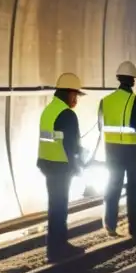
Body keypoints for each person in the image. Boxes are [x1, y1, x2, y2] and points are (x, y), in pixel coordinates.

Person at [99, 60, 136, 236]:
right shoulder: (135, 102)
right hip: (132, 152)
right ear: (133, 81)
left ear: (118, 78)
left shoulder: (104, 102)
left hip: (112, 151)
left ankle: (110, 224)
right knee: (134, 189)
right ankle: (135, 227)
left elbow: (101, 127)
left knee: (113, 186)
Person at [37, 72, 87, 260]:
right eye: (76, 95)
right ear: (70, 93)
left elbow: (49, 139)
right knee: (60, 208)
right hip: (60, 166)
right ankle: (59, 249)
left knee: (54, 207)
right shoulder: (67, 114)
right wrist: (77, 165)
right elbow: (71, 146)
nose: (76, 100)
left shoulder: (49, 110)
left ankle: (54, 247)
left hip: (47, 164)